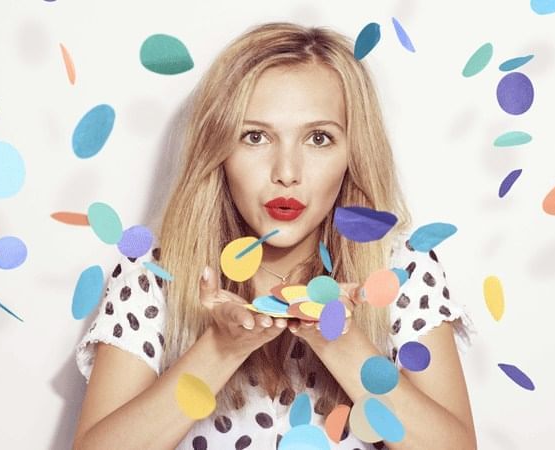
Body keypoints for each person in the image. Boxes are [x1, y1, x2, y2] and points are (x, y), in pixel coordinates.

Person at [72, 22, 477, 450]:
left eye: (319, 138)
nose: (287, 172)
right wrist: (222, 349)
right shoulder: (152, 273)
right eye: (256, 136)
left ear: (352, 153)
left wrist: (341, 342)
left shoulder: (401, 272)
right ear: (219, 149)